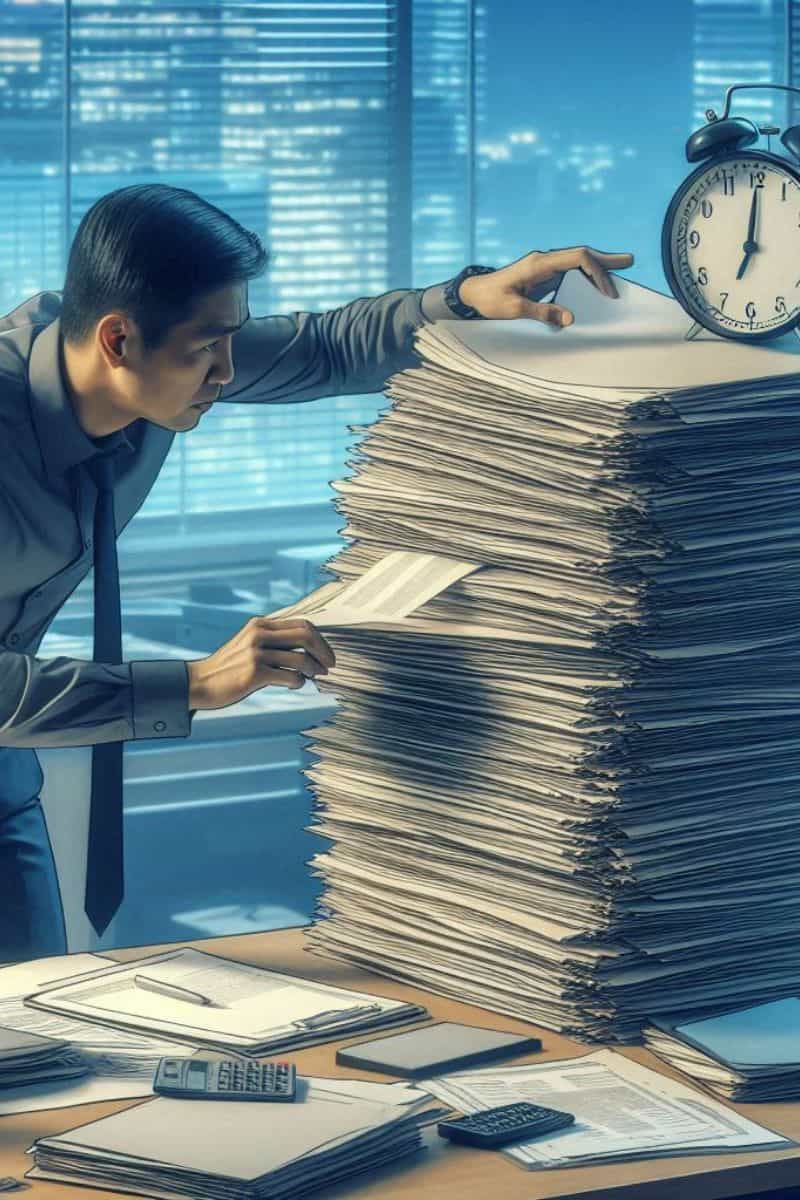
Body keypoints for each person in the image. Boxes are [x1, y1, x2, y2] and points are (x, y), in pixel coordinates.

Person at [0, 181, 634, 962]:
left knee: (33, 1034)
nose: (228, 372)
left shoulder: (143, 368)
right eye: (206, 348)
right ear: (118, 340)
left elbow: (321, 348)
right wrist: (194, 683)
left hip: (4, 785)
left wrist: (469, 298)